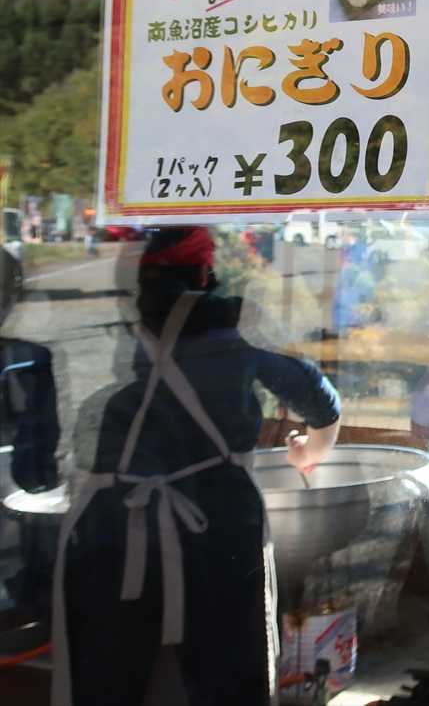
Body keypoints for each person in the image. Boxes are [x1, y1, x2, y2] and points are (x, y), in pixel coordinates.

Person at [53, 226, 340, 706]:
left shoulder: (90, 320)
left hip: (109, 527)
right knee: (230, 679)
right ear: (205, 271)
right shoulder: (235, 322)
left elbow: (48, 444)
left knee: (106, 680)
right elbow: (320, 402)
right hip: (216, 525)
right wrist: (310, 452)